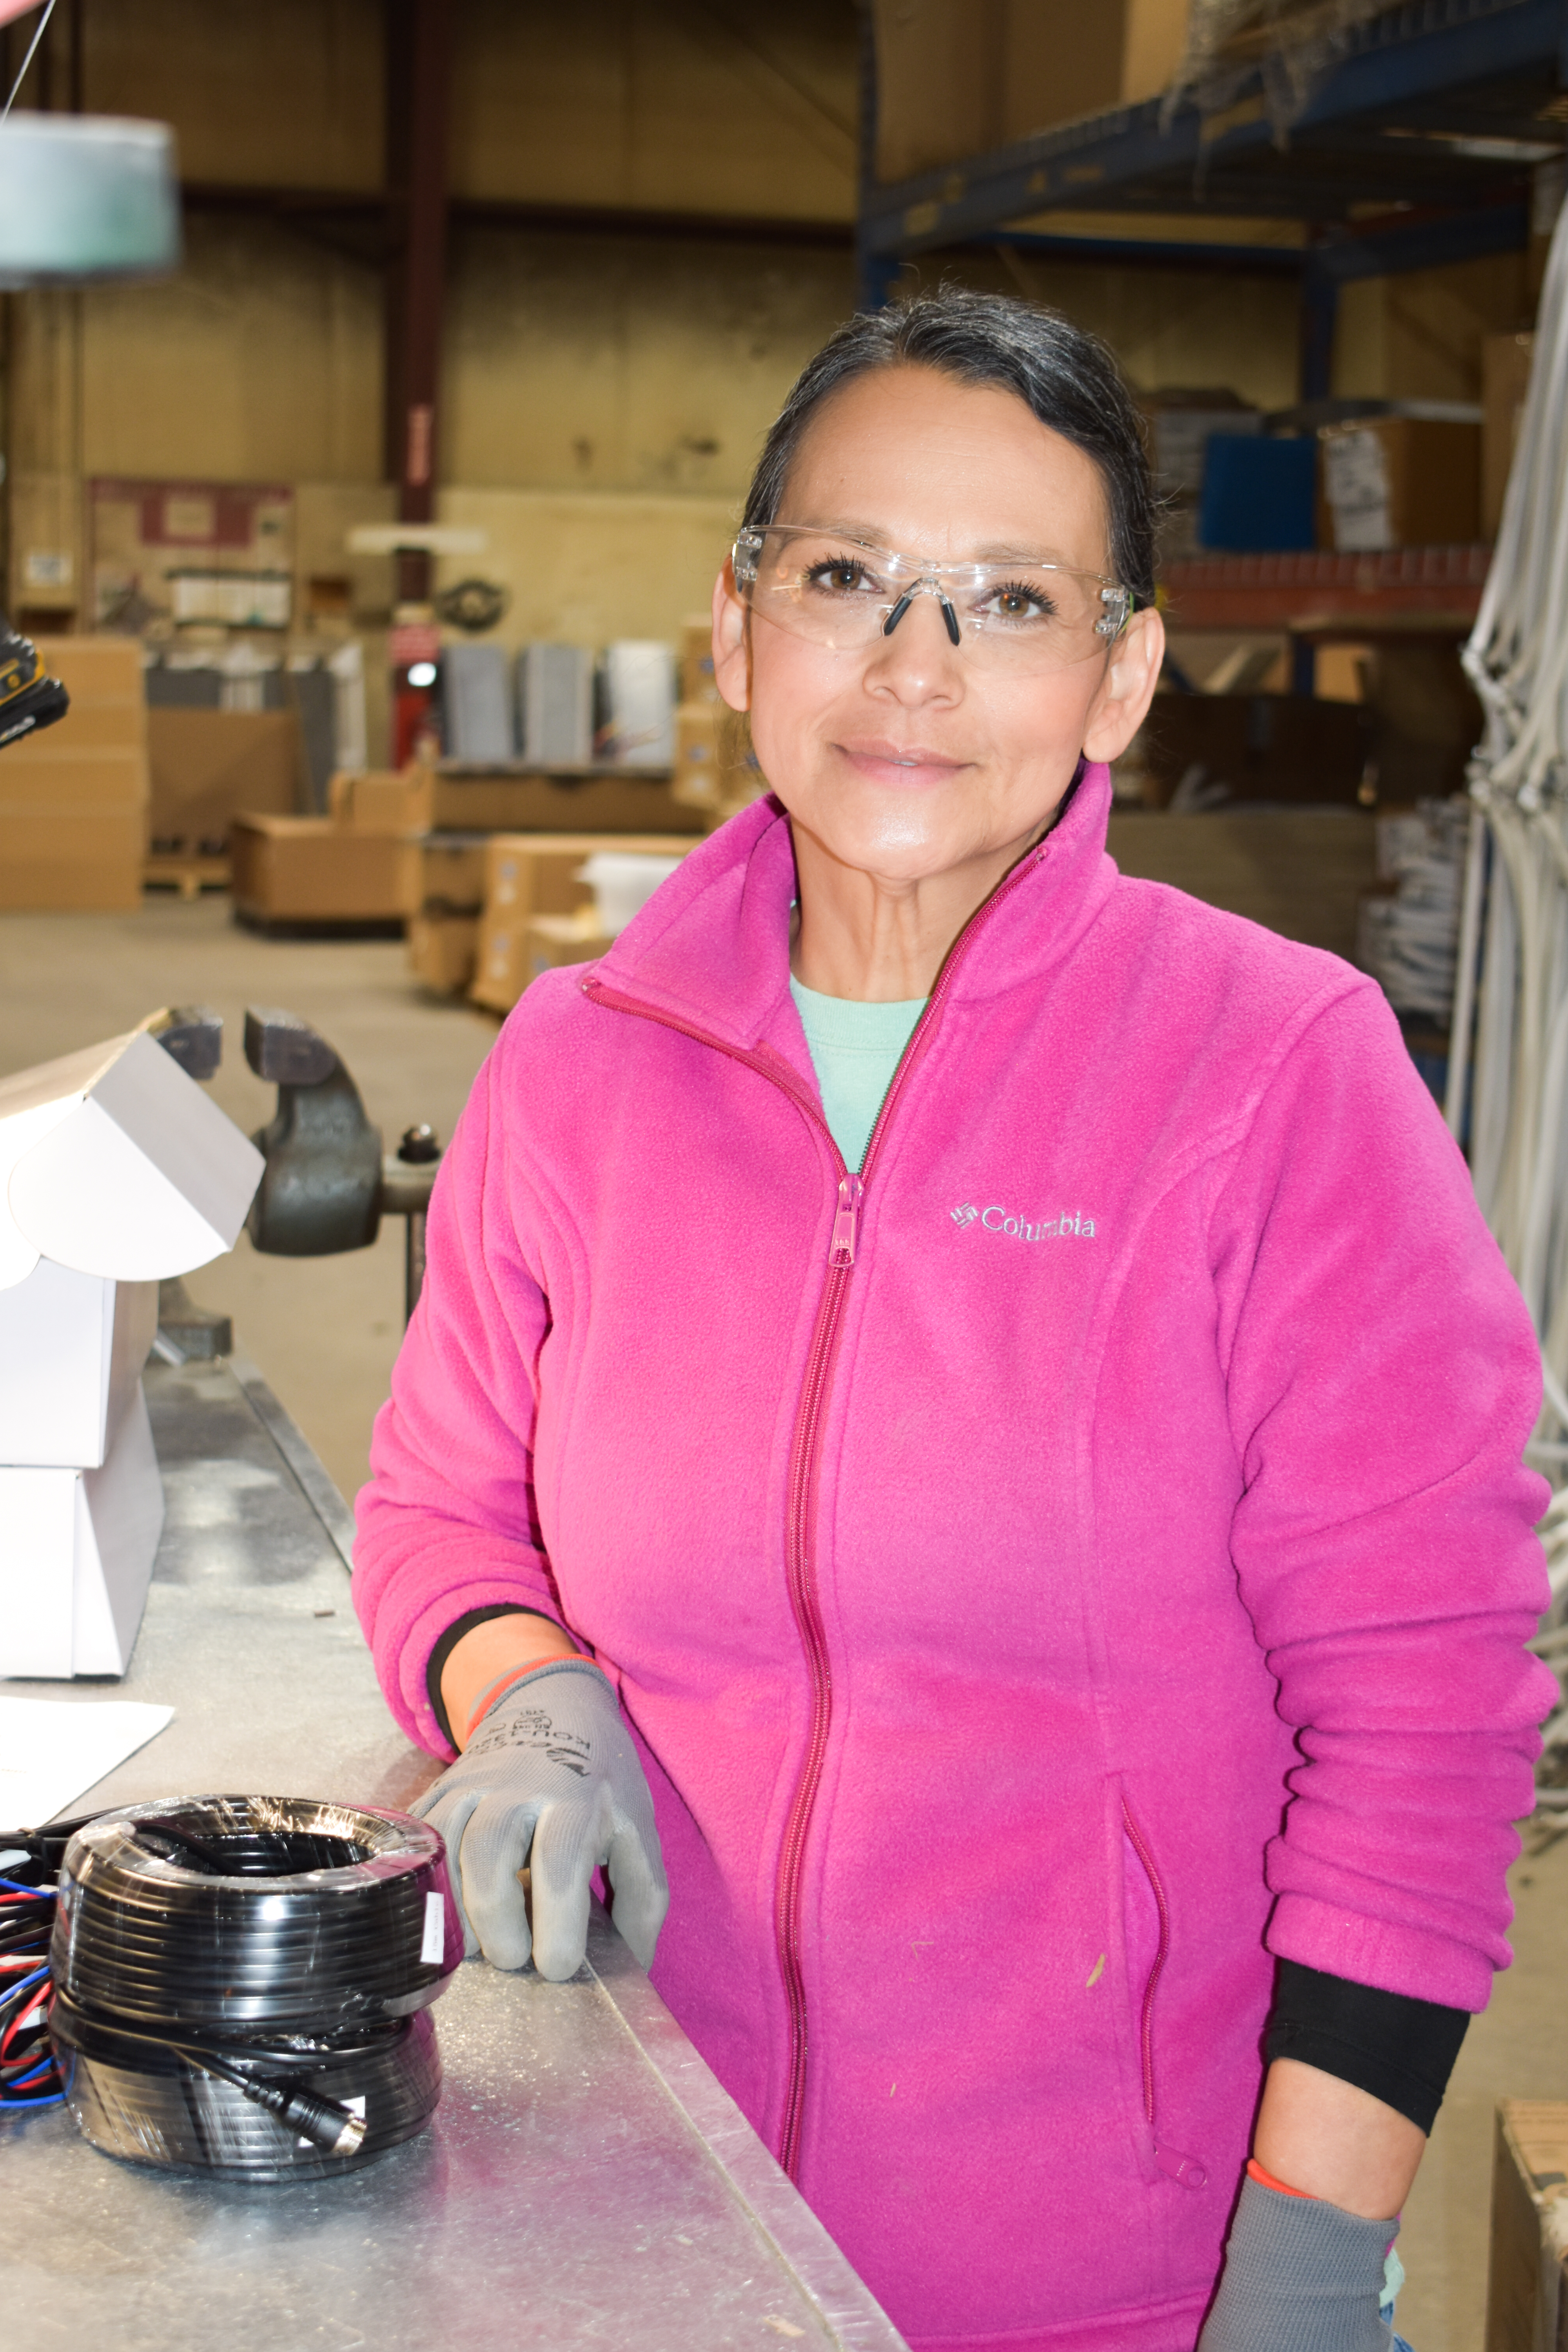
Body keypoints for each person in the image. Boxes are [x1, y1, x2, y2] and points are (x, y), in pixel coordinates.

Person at [354, 290, 1553, 2352]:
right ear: (740, 627)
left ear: (1123, 677)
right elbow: (439, 1512)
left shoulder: (1276, 1073)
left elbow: (1427, 1714)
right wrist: (530, 1692)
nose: (915, 669)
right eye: (850, 580)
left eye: (1008, 600)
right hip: (623, 2206)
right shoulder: (580, 1060)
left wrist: (1305, 2258)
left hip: (1105, 2269)